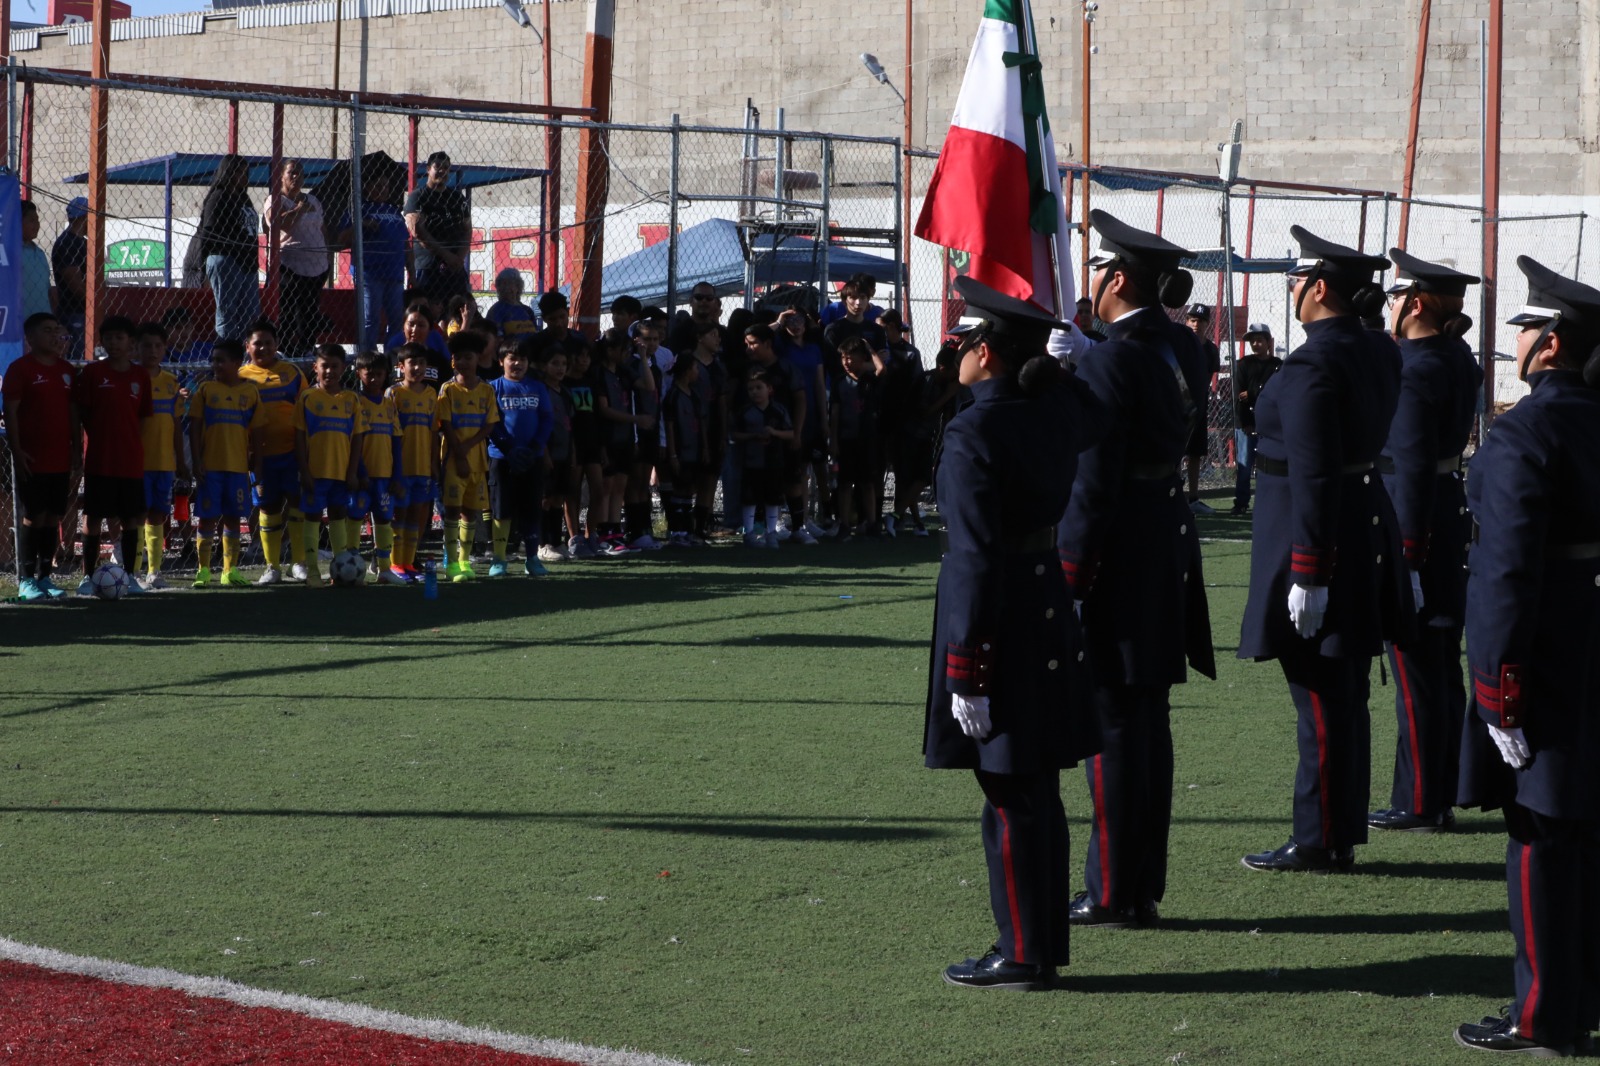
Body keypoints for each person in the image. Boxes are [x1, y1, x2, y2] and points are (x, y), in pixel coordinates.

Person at [927, 276, 1105, 991]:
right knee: (1037, 789)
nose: (958, 354)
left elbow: (974, 558)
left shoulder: (974, 431)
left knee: (1009, 793)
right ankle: (1038, 942)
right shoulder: (1051, 411)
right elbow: (1094, 416)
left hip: (998, 616)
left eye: (965, 342)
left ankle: (1025, 952)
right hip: (1044, 601)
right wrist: (1065, 370)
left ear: (987, 352)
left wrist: (966, 669)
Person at [1451, 256, 1600, 1058]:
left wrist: (1498, 691)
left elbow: (1506, 573)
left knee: (1540, 836)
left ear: (1550, 342)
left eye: (1526, 328)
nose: (1517, 342)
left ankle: (1545, 1015)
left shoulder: (1524, 433)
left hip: (1547, 653)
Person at [1057, 211, 1217, 928]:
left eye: (1097, 268)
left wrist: (1070, 577)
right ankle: (1140, 880)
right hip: (1163, 537)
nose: (1091, 278)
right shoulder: (1179, 345)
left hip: (1119, 548)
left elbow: (1091, 484)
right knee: (1147, 722)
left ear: (1117, 279)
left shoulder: (1110, 360)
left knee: (1115, 724)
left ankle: (1115, 889)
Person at [1237, 226, 1409, 873]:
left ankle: (1321, 836)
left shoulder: (1314, 364)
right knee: (1343, 695)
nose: (1293, 291)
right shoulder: (1377, 350)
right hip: (1362, 527)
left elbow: (1312, 470)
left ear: (1316, 288)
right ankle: (1335, 830)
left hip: (1316, 540)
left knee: (1319, 696)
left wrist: (1309, 570)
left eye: (1297, 281)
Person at [1368, 249, 1481, 835]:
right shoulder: (1456, 356)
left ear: (1413, 303)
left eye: (1395, 296)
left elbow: (1409, 468)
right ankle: (1447, 785)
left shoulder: (1414, 368)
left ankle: (1418, 801)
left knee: (1416, 673)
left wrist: (1407, 557)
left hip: (1419, 522)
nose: (1389, 305)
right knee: (1440, 667)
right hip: (1448, 511)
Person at [72, 316, 152, 595]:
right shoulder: (93, 373)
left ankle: (130, 576)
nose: (114, 343)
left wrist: (131, 443)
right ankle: (87, 577)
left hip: (130, 460)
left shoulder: (140, 376)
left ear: (131, 342)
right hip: (100, 459)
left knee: (131, 518)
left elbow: (143, 417)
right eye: (109, 338)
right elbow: (82, 414)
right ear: (102, 341)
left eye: (120, 338)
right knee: (93, 517)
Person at [3, 313, 78, 601]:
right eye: (47, 330)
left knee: (53, 516)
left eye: (56, 330)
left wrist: (76, 450)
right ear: (30, 338)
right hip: (32, 457)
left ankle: (45, 577)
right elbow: (10, 412)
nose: (54, 336)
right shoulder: (20, 369)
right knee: (33, 516)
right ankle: (25, 579)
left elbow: (73, 414)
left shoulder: (67, 370)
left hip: (60, 456)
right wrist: (16, 449)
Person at [187, 339, 267, 587]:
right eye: (213, 360)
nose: (215, 365)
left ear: (236, 362)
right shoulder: (206, 390)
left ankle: (229, 571)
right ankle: (203, 571)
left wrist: (258, 463)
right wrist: (197, 461)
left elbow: (258, 432)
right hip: (210, 468)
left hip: (238, 468)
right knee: (207, 518)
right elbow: (195, 428)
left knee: (233, 518)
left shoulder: (250, 392)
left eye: (221, 361)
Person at [239, 320, 309, 584]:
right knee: (268, 508)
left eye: (269, 342)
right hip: (260, 457)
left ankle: (299, 562)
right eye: (258, 343)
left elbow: (306, 412)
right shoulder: (241, 376)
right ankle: (273, 567)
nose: (264, 348)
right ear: (247, 346)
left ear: (277, 344)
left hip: (292, 454)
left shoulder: (292, 373)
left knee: (296, 503)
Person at [293, 344, 362, 588]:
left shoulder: (351, 399)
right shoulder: (307, 398)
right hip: (315, 473)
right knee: (312, 516)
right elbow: (299, 438)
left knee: (338, 515)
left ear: (344, 368)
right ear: (315, 368)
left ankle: (339, 571)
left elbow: (357, 439)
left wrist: (352, 472)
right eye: (325, 366)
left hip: (341, 473)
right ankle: (312, 571)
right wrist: (304, 471)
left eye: (335, 366)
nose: (330, 371)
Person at [437, 332, 500, 582]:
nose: (463, 362)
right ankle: (451, 563)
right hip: (454, 459)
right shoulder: (448, 389)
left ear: (478, 358)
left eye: (468, 357)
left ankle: (464, 561)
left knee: (470, 511)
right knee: (452, 511)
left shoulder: (486, 389)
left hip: (477, 459)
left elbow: (490, 424)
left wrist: (470, 446)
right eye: (458, 357)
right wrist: (460, 452)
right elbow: (446, 424)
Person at [487, 339, 554, 577]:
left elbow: (547, 418)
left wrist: (535, 446)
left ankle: (532, 559)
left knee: (531, 509)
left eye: (523, 359)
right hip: (502, 458)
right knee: (501, 509)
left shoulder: (537, 387)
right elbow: (491, 421)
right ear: (501, 361)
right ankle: (499, 559)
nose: (518, 363)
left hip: (532, 458)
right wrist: (508, 448)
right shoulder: (493, 387)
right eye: (512, 359)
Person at [136, 322, 189, 588]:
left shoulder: (171, 382)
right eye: (147, 345)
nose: (153, 351)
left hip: (165, 462)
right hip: (138, 463)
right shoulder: (132, 379)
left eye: (158, 346)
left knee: (158, 514)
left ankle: (154, 571)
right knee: (138, 515)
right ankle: (133, 571)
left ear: (165, 348)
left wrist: (180, 460)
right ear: (136, 348)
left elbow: (176, 423)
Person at [339, 164, 410, 352]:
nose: (382, 190)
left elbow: (406, 243)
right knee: (370, 318)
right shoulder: (359, 209)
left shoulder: (394, 210)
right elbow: (342, 239)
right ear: (368, 187)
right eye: (378, 186)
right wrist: (361, 224)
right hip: (370, 274)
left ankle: (392, 355)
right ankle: (367, 355)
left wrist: (411, 272)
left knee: (397, 319)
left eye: (385, 186)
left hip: (395, 274)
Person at [264, 159, 330, 358]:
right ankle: (284, 351)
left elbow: (322, 228)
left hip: (317, 267)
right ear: (281, 176)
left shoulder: (313, 200)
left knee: (309, 313)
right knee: (288, 312)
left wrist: (327, 256)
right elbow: (280, 224)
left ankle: (307, 350)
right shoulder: (275, 200)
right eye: (291, 172)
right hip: (289, 267)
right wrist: (299, 209)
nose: (296, 176)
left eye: (300, 173)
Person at [351, 349, 406, 584]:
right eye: (369, 374)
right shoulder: (354, 402)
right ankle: (352, 569)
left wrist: (397, 476)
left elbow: (396, 442)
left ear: (386, 375)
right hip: (361, 476)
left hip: (384, 475)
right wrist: (360, 471)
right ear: (358, 374)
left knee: (384, 519)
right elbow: (353, 441)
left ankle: (384, 569)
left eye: (379, 374)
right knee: (354, 518)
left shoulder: (389, 405)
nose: (374, 379)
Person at [387, 344, 441, 582]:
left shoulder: (431, 394)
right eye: (412, 363)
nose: (417, 368)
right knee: (399, 515)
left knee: (415, 516)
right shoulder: (393, 393)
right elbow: (388, 433)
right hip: (401, 467)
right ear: (401, 366)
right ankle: (395, 563)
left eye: (422, 363)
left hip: (423, 467)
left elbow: (433, 432)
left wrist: (434, 464)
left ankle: (408, 563)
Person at [198, 155, 262, 342]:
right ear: (227, 172)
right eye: (238, 171)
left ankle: (245, 353)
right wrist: (204, 270)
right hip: (227, 260)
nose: (243, 176)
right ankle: (227, 352)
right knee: (228, 314)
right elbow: (208, 234)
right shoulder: (218, 197)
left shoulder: (244, 198)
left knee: (251, 315)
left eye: (245, 172)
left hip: (247, 264)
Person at [730, 366, 793, 548]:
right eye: (751, 389)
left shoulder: (778, 410)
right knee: (749, 499)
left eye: (759, 387)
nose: (755, 392)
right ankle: (749, 533)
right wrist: (753, 436)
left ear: (769, 389)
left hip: (774, 462)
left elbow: (791, 433)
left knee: (772, 498)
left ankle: (771, 532)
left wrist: (774, 432)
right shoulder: (745, 412)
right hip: (751, 462)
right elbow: (735, 435)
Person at [404, 151, 472, 305]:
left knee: (458, 309)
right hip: (428, 267)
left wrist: (458, 258)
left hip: (455, 268)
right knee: (428, 309)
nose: (442, 171)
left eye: (446, 168)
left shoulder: (457, 197)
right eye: (438, 166)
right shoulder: (418, 196)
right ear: (428, 169)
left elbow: (467, 229)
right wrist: (447, 256)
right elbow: (417, 231)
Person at [829, 337, 879, 543]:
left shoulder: (870, 380)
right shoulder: (839, 382)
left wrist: (870, 348)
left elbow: (882, 369)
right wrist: (833, 440)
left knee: (867, 484)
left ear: (863, 358)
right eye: (843, 358)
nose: (847, 362)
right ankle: (844, 524)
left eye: (851, 357)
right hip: (846, 439)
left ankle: (872, 524)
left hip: (867, 439)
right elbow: (835, 413)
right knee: (844, 483)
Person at [532, 344, 577, 564]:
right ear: (544, 366)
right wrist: (544, 452)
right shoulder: (541, 391)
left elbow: (570, 425)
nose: (560, 368)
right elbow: (538, 425)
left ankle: (556, 541)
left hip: (564, 452)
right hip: (547, 452)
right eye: (555, 363)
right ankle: (542, 544)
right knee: (545, 499)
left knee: (559, 498)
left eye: (563, 364)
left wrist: (572, 453)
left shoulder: (566, 392)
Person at [1231, 323, 1281, 515]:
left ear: (1268, 342)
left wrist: (1252, 393)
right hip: (1247, 423)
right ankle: (1241, 502)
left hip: (1269, 425)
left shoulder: (1277, 365)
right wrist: (1246, 423)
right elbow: (1239, 397)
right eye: (1252, 341)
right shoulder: (1244, 364)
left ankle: (1266, 502)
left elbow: (1276, 392)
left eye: (1260, 340)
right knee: (1244, 465)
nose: (1255, 344)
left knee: (1267, 465)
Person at [660, 354, 707, 547]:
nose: (697, 372)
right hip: (680, 451)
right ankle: (676, 532)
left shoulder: (694, 395)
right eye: (695, 368)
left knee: (689, 490)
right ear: (687, 371)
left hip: (693, 450)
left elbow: (700, 423)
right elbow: (669, 426)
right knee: (678, 490)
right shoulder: (673, 395)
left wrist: (704, 447)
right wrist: (672, 454)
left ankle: (687, 531)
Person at [1182, 303, 1222, 514]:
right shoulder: (1180, 345)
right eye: (1192, 320)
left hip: (1199, 405)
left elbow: (1208, 377)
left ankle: (1193, 497)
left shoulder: (1211, 349)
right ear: (1187, 321)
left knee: (1195, 452)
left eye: (1200, 321)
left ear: (1207, 324)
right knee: (1175, 450)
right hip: (1178, 404)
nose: (1196, 324)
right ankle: (1172, 496)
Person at [51, 197, 89, 359]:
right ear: (84, 217)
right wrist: (95, 303)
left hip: (82, 312)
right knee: (78, 358)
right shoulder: (67, 243)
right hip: (74, 312)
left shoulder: (82, 242)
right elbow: (75, 284)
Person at [19, 201, 54, 321]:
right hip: (20, 322)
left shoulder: (40, 254)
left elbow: (48, 291)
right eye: (31, 220)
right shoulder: (9, 253)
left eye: (37, 220)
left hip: (42, 322)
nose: (37, 225)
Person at [487, 269, 537, 339]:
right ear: (498, 288)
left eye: (511, 284)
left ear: (518, 287)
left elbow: (535, 335)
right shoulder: (496, 310)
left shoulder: (527, 310)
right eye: (504, 284)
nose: (507, 288)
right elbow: (496, 338)